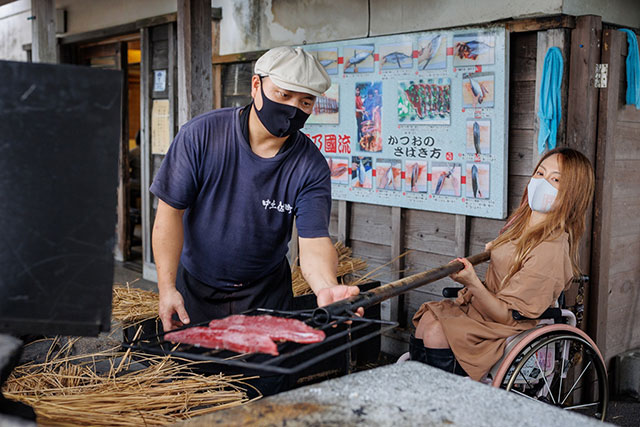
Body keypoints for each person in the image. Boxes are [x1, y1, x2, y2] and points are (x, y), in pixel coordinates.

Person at [150, 46, 362, 335]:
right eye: (283, 95)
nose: (292, 109)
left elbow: (314, 242)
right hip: (195, 288)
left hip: (266, 293)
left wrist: (326, 287)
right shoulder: (201, 136)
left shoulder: (310, 166)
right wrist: (166, 287)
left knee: (264, 377)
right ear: (256, 85)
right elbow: (169, 213)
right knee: (195, 373)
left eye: (305, 102)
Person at [411, 148, 595, 380]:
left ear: (573, 194)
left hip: (509, 325)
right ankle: (422, 394)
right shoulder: (520, 227)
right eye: (540, 173)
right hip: (482, 311)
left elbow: (510, 316)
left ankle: (447, 400)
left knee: (436, 331)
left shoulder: (551, 249)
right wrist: (496, 248)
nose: (541, 182)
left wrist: (473, 282)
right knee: (427, 319)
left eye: (555, 179)